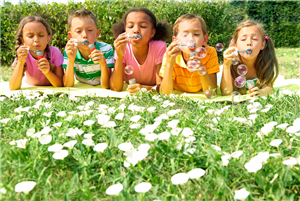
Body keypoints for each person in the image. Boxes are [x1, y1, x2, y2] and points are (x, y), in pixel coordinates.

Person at [110, 7, 171, 95]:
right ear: (125, 31)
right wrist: (119, 56)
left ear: (152, 33)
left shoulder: (159, 47)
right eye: (130, 26)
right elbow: (115, 87)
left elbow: (162, 87)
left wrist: (144, 89)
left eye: (143, 26)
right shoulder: (123, 48)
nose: (136, 30)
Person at [160, 14, 219, 95]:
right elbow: (164, 93)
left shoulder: (210, 53)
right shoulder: (170, 55)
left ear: (205, 39)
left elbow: (212, 93)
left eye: (196, 34)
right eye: (185, 35)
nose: (191, 40)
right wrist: (170, 64)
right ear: (175, 41)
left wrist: (201, 69)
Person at [220, 19, 279, 96]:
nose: (249, 43)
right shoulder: (230, 64)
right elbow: (226, 93)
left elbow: (269, 87)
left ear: (262, 45)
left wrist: (262, 92)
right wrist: (226, 66)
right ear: (235, 45)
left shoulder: (265, 63)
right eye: (243, 39)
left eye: (254, 39)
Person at [9, 16, 64, 91]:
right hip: (30, 86)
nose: (36, 40)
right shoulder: (23, 54)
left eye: (41, 35)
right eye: (30, 36)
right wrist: (20, 62)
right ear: (23, 40)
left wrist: (47, 72)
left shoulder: (54, 52)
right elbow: (13, 87)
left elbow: (60, 84)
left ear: (48, 38)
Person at [63, 8, 114, 88]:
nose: (85, 35)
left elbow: (106, 86)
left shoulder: (106, 49)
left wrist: (103, 65)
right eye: (79, 31)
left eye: (90, 30)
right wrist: (71, 60)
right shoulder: (70, 50)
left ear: (97, 33)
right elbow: (68, 85)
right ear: (71, 36)